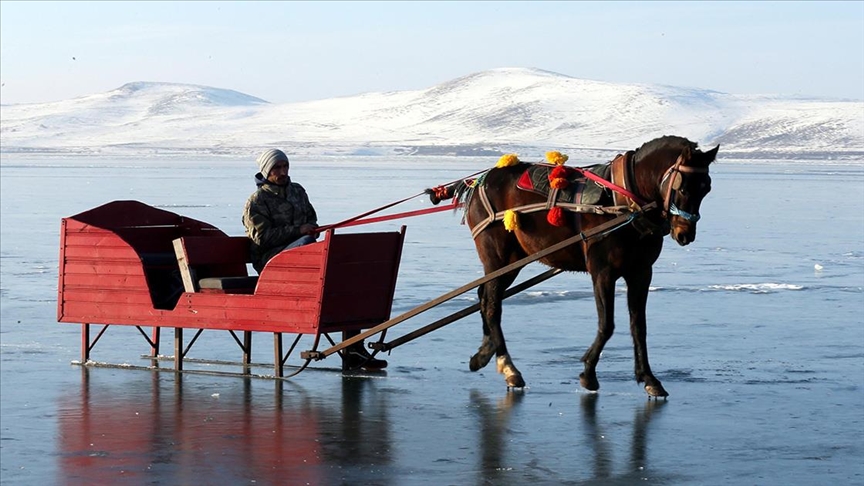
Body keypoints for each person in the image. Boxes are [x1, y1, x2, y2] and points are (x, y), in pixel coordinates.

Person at [242, 149, 387, 370]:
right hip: (271, 262)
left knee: (343, 282)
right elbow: (261, 238)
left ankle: (354, 349)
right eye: (277, 168)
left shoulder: (298, 191)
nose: (283, 172)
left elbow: (311, 218)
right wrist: (298, 231)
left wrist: (310, 229)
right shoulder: (257, 201)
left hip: (303, 255)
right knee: (307, 243)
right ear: (266, 171)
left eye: (285, 166)